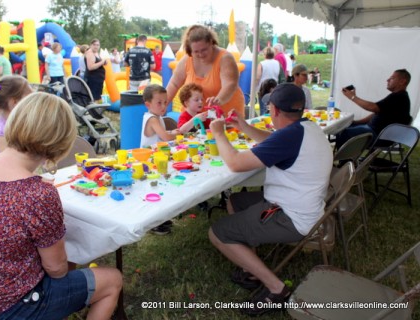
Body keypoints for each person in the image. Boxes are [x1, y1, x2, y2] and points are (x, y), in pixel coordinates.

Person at [0, 92, 123, 320]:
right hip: (13, 307)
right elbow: (57, 269)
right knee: (112, 280)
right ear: (59, 145)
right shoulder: (38, 195)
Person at [208, 83, 332, 316]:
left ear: (273, 110)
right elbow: (274, 141)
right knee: (235, 201)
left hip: (291, 218)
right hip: (307, 207)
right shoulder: (306, 128)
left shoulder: (290, 136)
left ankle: (276, 289)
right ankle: (252, 267)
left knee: (217, 232)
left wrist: (218, 133)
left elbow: (235, 163)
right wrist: (245, 127)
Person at [166, 25, 245, 117]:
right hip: (194, 119)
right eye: (196, 52)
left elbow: (230, 85)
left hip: (226, 117)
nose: (200, 54)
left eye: (204, 50)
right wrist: (162, 104)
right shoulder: (186, 60)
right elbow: (174, 84)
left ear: (211, 43)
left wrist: (218, 100)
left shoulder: (225, 58)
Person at [336, 69, 412, 149]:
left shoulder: (400, 97)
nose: (387, 80)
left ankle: (344, 160)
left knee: (342, 132)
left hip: (380, 136)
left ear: (402, 81)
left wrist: (352, 97)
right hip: (373, 130)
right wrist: (357, 122)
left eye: (392, 78)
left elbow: (372, 107)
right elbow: (377, 112)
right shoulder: (397, 96)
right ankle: (346, 158)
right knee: (343, 126)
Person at [0, 75, 33, 154]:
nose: (33, 104)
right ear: (15, 102)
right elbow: (9, 164)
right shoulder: (1, 133)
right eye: (30, 99)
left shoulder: (14, 123)